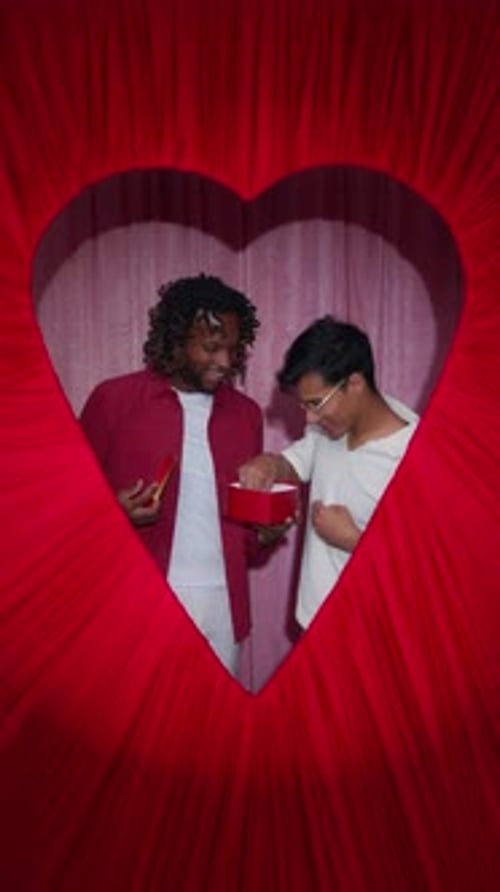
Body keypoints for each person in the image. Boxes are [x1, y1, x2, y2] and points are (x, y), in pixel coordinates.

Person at [80, 273, 264, 676]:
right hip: (135, 602)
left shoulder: (247, 415)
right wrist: (114, 513)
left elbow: (251, 542)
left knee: (217, 715)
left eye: (233, 349)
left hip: (223, 606)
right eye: (212, 347)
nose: (225, 362)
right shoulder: (113, 400)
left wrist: (268, 530)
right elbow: (70, 509)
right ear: (176, 340)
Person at [238, 315, 418, 630]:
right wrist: (269, 463)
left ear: (355, 384)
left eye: (316, 404)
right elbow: (296, 461)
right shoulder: (330, 428)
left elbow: (424, 566)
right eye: (304, 406)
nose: (309, 419)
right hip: (314, 625)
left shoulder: (414, 454)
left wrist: (354, 541)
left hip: (372, 632)